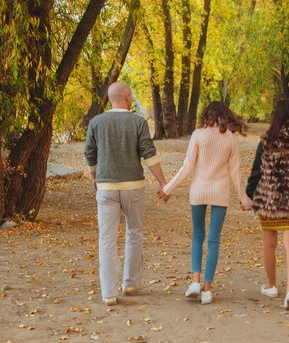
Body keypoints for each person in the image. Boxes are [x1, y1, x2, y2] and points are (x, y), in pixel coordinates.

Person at [158, 102, 252, 305]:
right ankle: (207, 289)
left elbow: (187, 167)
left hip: (198, 191)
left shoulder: (198, 135)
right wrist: (244, 199)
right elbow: (235, 174)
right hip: (220, 192)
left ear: (206, 115)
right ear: (226, 116)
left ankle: (194, 281)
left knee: (197, 235)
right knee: (214, 240)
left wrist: (167, 189)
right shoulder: (231, 140)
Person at [84, 81, 168, 306]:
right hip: (133, 187)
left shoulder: (96, 122)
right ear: (128, 97)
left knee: (107, 239)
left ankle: (109, 292)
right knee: (134, 232)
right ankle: (130, 282)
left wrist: (94, 177)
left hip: (106, 188)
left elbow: (89, 154)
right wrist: (163, 182)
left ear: (110, 98)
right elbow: (149, 154)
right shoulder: (138, 122)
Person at [246, 99, 289, 310]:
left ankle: (271, 285)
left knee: (270, 243)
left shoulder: (267, 140)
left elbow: (256, 171)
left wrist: (250, 194)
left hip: (269, 199)